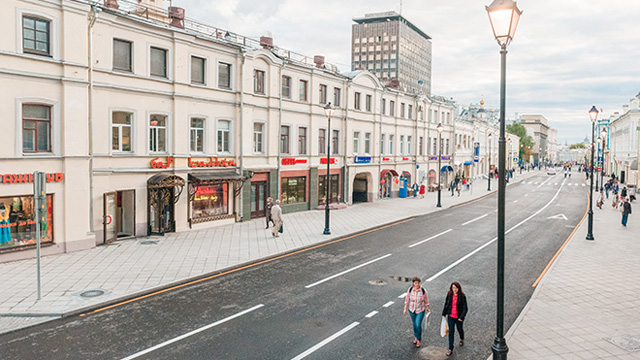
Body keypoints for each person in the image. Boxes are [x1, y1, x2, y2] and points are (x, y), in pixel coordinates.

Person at [442, 282, 468, 357]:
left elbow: (465, 308)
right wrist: (444, 313)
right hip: (451, 316)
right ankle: (450, 348)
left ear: (459, 288)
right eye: (453, 288)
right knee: (451, 332)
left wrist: (461, 317)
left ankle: (462, 338)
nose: (455, 289)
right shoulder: (449, 294)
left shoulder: (462, 296)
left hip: (458, 317)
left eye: (456, 288)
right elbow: (446, 304)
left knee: (459, 329)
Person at [403, 276, 430, 348]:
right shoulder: (410, 290)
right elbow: (407, 299)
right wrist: (405, 308)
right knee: (414, 324)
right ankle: (416, 336)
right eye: (415, 283)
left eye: (418, 283)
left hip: (420, 310)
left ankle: (419, 339)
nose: (417, 284)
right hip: (411, 309)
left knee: (418, 324)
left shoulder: (423, 291)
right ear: (413, 284)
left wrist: (427, 308)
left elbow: (426, 300)